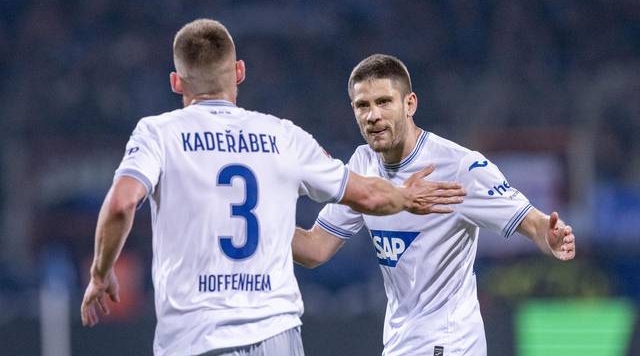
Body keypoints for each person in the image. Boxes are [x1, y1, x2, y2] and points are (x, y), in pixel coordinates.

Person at [79, 21, 467, 356]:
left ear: (176, 81)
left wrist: (101, 272)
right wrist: (406, 196)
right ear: (240, 72)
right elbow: (367, 194)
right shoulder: (282, 136)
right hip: (275, 336)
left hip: (194, 337)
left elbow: (120, 205)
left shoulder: (158, 134)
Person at [293, 54, 576, 356]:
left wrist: (547, 234)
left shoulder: (459, 167)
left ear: (410, 104)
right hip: (401, 344)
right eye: (363, 105)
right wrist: (260, 226)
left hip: (448, 345)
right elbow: (315, 248)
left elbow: (530, 221)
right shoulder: (363, 165)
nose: (372, 115)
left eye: (384, 102)